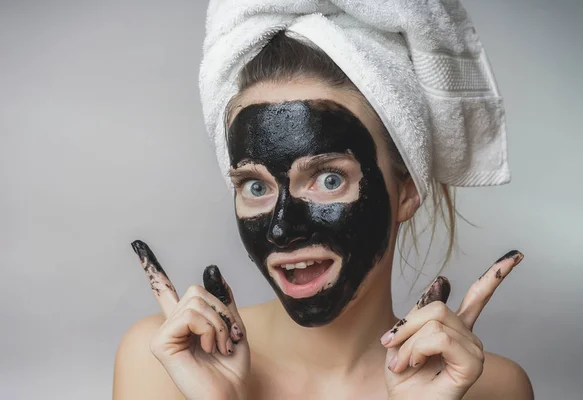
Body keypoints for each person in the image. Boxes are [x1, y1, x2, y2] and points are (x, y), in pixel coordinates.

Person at [113, 3, 534, 400]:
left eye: (329, 179)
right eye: (255, 187)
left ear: (406, 190)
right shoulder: (166, 361)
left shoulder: (491, 387)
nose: (281, 228)